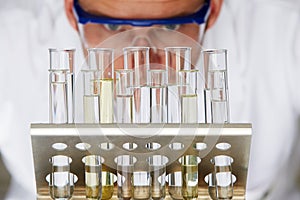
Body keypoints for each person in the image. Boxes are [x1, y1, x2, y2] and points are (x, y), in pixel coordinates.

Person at [0, 0, 299, 199]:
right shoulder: (12, 38)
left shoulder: (282, 28)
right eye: (113, 28)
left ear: (213, 10)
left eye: (170, 27)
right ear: (70, 11)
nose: (139, 62)